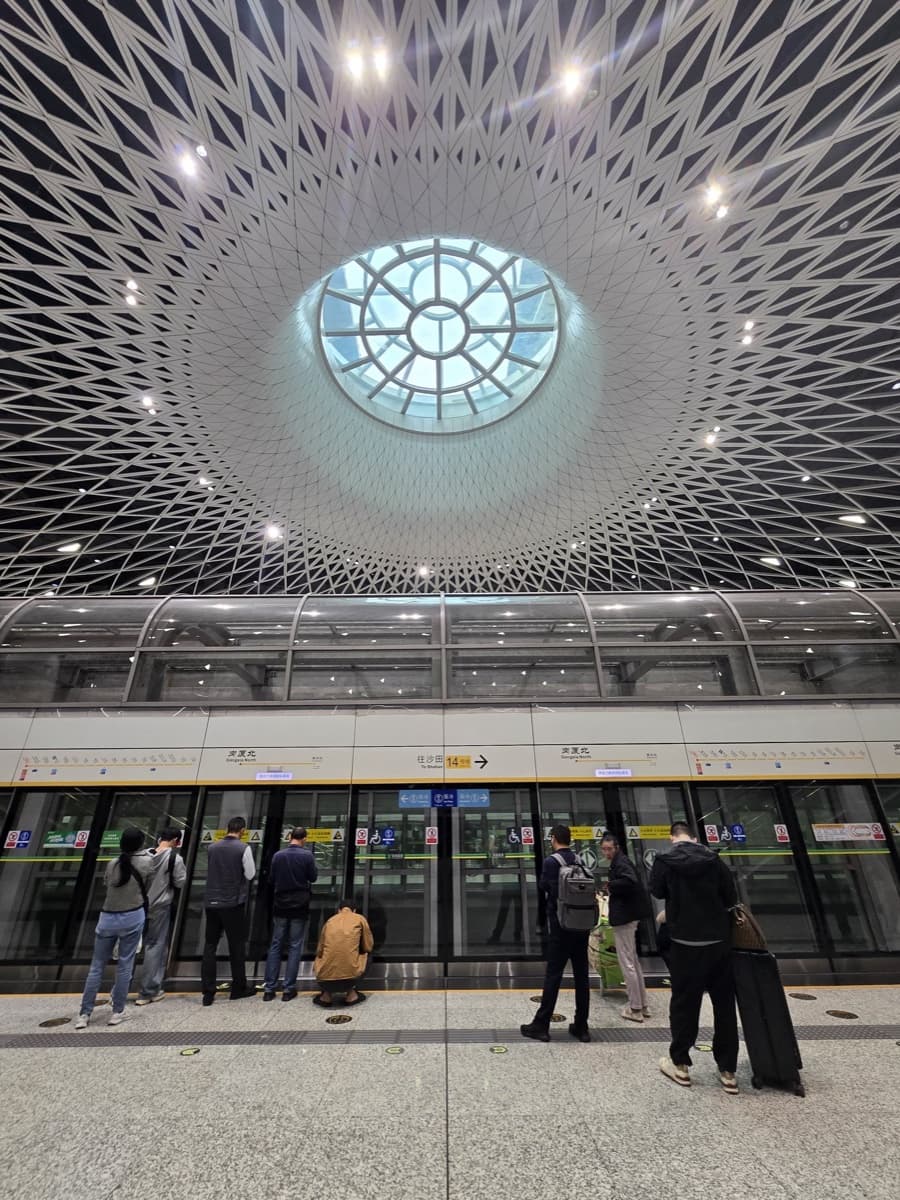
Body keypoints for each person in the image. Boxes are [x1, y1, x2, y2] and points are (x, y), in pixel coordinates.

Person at [650, 821, 739, 1094]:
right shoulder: (714, 860)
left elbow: (656, 891)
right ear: (695, 838)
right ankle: (727, 1071)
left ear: (671, 838)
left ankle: (681, 1065)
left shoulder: (664, 860)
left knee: (684, 1004)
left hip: (684, 943)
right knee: (724, 1005)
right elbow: (730, 897)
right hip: (718, 944)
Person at [75, 828, 158, 1028]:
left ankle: (84, 1014)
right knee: (125, 964)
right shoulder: (147, 862)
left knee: (96, 967)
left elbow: (107, 884)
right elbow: (147, 886)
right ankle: (117, 1011)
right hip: (132, 915)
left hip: (107, 917)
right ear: (140, 844)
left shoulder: (113, 863)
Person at [520, 824, 591, 1043]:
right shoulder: (580, 860)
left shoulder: (552, 862)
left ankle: (541, 1024)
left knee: (554, 975)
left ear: (553, 839)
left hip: (561, 927)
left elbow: (545, 886)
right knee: (582, 976)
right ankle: (581, 1026)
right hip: (582, 926)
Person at [200, 816, 256, 1005]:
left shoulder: (212, 848)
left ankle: (208, 992)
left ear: (227, 828)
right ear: (242, 830)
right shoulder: (243, 848)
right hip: (233, 903)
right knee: (236, 945)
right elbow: (250, 874)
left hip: (211, 902)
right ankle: (238, 988)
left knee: (210, 946)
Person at [262, 826, 318, 1001]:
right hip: (299, 904)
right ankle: (288, 989)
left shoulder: (278, 856)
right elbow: (313, 877)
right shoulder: (307, 856)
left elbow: (271, 879)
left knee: (276, 944)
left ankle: (269, 989)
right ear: (304, 839)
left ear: (290, 837)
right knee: (295, 945)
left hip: (280, 903)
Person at [600, 833, 651, 1023]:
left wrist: (611, 885)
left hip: (625, 917)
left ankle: (635, 1007)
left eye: (609, 849)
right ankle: (642, 1004)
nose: (606, 852)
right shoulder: (621, 861)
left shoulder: (621, 863)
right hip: (631, 916)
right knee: (633, 960)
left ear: (617, 847)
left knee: (627, 962)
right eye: (604, 849)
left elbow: (630, 881)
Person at [135, 827, 186, 1005]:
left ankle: (117, 991)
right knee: (154, 946)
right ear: (175, 841)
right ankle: (148, 991)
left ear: (159, 838)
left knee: (130, 948)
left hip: (136, 907)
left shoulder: (143, 856)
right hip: (160, 907)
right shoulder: (175, 858)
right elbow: (180, 882)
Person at [313, 897, 374, 1007]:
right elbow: (368, 946)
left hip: (324, 979)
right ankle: (351, 994)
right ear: (354, 910)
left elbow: (319, 950)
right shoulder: (359, 919)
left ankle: (326, 996)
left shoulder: (330, 921)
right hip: (350, 978)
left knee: (323, 956)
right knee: (368, 955)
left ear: (339, 910)